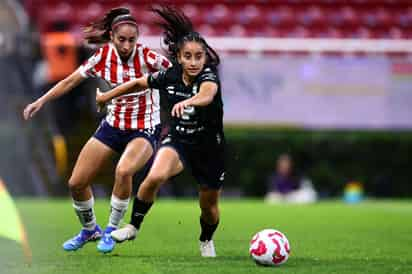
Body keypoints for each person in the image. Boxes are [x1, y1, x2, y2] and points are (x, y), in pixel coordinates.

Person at [23, 7, 171, 253]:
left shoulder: (149, 58)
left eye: (131, 40)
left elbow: (178, 74)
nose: (126, 45)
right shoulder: (102, 57)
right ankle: (90, 229)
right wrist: (41, 100)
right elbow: (70, 80)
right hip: (113, 125)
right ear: (112, 37)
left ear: (138, 39)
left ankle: (111, 231)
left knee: (123, 171)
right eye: (121, 39)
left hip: (144, 128)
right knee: (76, 183)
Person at [95, 6, 225, 257]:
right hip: (179, 141)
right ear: (179, 57)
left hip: (209, 147)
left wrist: (189, 101)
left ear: (204, 58)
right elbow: (136, 83)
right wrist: (106, 97)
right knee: (154, 176)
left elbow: (207, 95)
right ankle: (133, 226)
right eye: (188, 56)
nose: (194, 61)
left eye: (199, 56)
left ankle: (206, 239)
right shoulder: (171, 75)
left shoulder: (209, 76)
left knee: (209, 207)